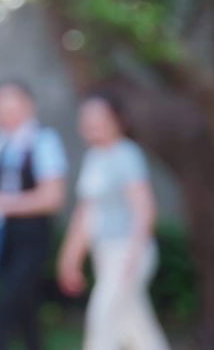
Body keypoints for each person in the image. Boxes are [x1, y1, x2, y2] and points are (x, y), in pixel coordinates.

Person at [0, 78, 69, 350]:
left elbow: (52, 197)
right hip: (2, 235)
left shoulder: (44, 141)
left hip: (32, 235)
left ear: (28, 106)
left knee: (5, 305)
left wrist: (4, 203)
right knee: (24, 309)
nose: (6, 114)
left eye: (12, 106)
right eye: (0, 108)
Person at [57, 92, 170, 350]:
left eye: (99, 118)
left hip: (127, 251)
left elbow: (145, 208)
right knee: (136, 326)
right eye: (87, 119)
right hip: (104, 253)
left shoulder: (127, 155)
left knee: (103, 317)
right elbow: (86, 213)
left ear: (119, 120)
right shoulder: (94, 158)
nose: (92, 125)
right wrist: (71, 257)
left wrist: (133, 253)